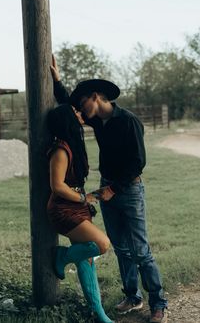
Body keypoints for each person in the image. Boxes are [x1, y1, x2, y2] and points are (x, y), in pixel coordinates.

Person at [50, 55, 168, 323]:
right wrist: (57, 81)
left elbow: (139, 162)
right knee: (121, 247)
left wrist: (115, 188)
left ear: (95, 97)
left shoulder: (128, 121)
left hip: (129, 190)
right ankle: (132, 296)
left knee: (140, 250)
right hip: (107, 189)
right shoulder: (96, 120)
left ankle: (158, 302)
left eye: (83, 103)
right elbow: (68, 104)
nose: (80, 109)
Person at [47, 104, 114, 323]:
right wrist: (84, 198)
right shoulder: (61, 150)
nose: (80, 113)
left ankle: (99, 313)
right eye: (75, 112)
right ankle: (62, 256)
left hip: (76, 205)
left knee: (86, 259)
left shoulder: (73, 144)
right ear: (69, 119)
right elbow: (57, 186)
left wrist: (90, 197)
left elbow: (72, 185)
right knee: (102, 244)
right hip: (63, 209)